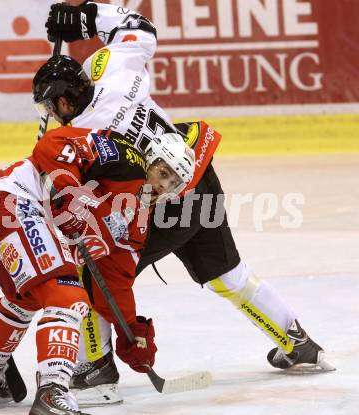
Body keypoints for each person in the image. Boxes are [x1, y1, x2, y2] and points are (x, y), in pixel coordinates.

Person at [37, 0, 334, 406]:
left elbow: (89, 197)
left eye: (51, 108)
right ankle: (298, 342)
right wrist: (87, 16)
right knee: (229, 273)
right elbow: (141, 28)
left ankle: (97, 373)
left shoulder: (85, 133)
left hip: (161, 204)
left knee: (89, 269)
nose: (52, 115)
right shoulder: (110, 67)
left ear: (66, 103)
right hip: (199, 175)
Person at [0, 122, 196, 415]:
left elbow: (115, 277)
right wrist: (69, 192)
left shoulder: (139, 218)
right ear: (150, 160)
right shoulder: (125, 158)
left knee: (29, 299)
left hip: (12, 213)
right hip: (15, 201)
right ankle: (52, 391)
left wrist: (130, 330)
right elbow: (53, 144)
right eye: (162, 172)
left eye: (173, 182)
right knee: (68, 298)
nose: (163, 184)